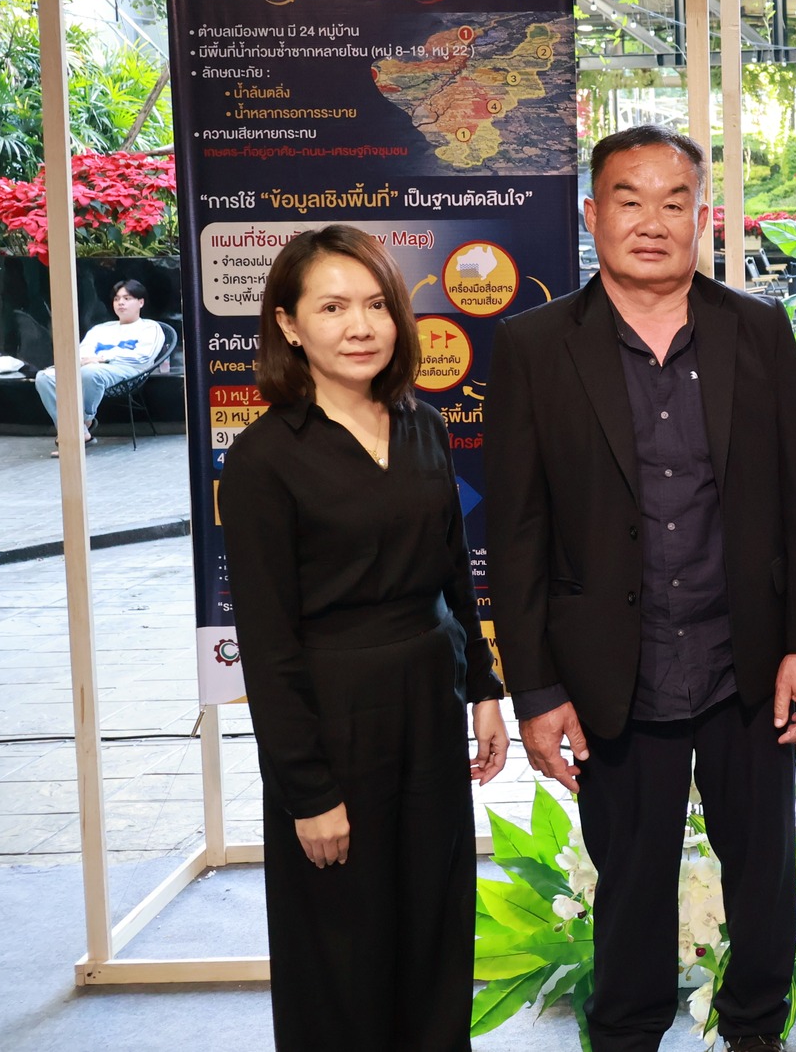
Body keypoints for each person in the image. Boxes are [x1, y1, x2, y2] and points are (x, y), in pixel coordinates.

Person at [486, 123, 796, 1052]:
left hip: (745, 662)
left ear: (701, 217)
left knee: (763, 878)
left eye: (674, 201)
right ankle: (626, 1035)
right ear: (592, 214)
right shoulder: (533, 347)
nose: (653, 222)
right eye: (630, 200)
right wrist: (536, 691)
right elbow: (514, 534)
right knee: (631, 885)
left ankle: (756, 1032)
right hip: (613, 672)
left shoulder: (756, 329)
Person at [219, 225, 509, 1052]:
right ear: (288, 324)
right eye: (333, 307)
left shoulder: (425, 426)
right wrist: (307, 791)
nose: (361, 326)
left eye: (377, 304)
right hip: (334, 720)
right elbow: (268, 644)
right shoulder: (263, 459)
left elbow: (455, 573)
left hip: (429, 706)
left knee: (434, 927)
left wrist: (484, 688)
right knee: (342, 947)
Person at [36, 277, 165, 452]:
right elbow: (82, 353)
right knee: (44, 377)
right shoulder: (101, 329)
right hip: (90, 368)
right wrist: (82, 361)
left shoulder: (150, 328)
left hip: (128, 371)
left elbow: (143, 357)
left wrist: (103, 358)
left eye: (127, 298)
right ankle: (78, 431)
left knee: (91, 372)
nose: (120, 303)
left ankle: (85, 420)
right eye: (117, 299)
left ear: (140, 302)